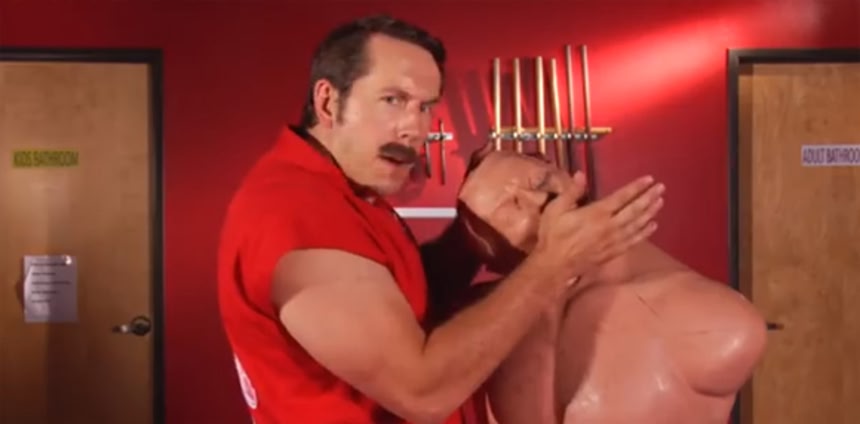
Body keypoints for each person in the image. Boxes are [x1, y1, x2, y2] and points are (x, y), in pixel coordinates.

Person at [217, 14, 666, 424]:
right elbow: (421, 393)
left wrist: (466, 243)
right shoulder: (297, 214)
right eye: (393, 100)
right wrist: (555, 263)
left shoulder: (345, 189)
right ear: (329, 102)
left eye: (425, 106)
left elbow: (394, 303)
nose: (415, 128)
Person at [454, 150, 768, 424]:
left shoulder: (714, 320)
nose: (540, 201)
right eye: (510, 206)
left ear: (566, 174)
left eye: (539, 182)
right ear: (489, 250)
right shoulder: (485, 327)